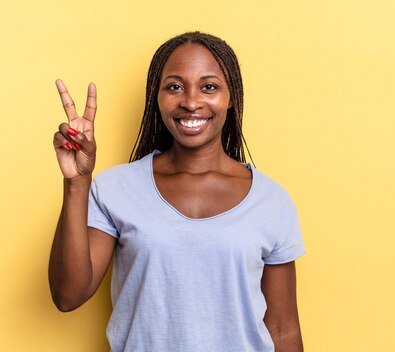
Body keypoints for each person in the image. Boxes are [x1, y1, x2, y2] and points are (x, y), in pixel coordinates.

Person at [48, 32, 306, 352]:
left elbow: (283, 329)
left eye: (209, 86)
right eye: (174, 86)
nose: (191, 101)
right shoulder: (115, 189)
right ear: (156, 98)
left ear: (232, 97)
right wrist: (77, 182)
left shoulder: (271, 201)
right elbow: (68, 295)